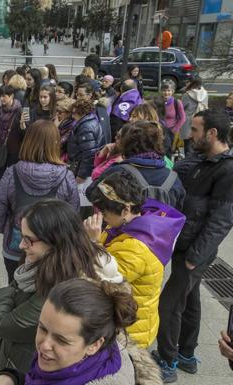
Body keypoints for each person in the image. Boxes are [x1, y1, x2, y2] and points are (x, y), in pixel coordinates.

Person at [0, 200, 119, 384]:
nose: (21, 246)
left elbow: (5, 324)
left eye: (28, 239)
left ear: (55, 240)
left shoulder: (60, 290)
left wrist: (8, 290)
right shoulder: (43, 266)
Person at [153, 109, 233, 382]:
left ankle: (167, 361)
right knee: (189, 301)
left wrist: (194, 257)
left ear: (212, 133)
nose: (190, 135)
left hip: (195, 252)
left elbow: (221, 221)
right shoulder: (204, 160)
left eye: (196, 130)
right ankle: (186, 354)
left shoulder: (228, 169)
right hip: (187, 246)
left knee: (169, 305)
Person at [0, 278, 164, 385]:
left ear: (95, 345)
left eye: (61, 340)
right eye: (42, 328)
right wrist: (11, 377)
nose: (44, 345)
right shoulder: (95, 355)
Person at [85, 171, 186, 348]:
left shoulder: (136, 246)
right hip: (133, 320)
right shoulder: (134, 223)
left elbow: (105, 277)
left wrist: (92, 242)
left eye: (105, 211)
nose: (102, 216)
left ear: (125, 209)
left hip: (129, 333)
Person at [0, 120, 79, 282]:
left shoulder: (13, 172)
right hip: (52, 248)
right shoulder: (66, 176)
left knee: (14, 287)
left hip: (17, 243)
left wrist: (8, 228)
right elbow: (73, 214)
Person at [87, 120, 186, 210]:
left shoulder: (118, 171)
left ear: (127, 143)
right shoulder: (173, 178)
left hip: (122, 229)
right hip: (162, 229)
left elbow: (92, 193)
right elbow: (179, 209)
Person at [0, 85, 24, 194]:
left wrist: (22, 124)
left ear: (11, 95)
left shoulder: (19, 111)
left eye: (4, 96)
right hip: (0, 148)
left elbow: (23, 133)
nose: (2, 99)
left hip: (14, 149)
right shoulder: (0, 109)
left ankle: (10, 198)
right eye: (0, 96)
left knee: (13, 176)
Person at [67, 98, 105, 185]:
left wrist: (81, 175)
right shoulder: (91, 122)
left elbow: (89, 154)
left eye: (74, 113)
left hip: (79, 167)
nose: (72, 116)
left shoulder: (85, 127)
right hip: (79, 165)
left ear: (82, 112)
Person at [129, 103, 175, 169]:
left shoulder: (163, 135)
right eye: (130, 116)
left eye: (134, 116)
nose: (130, 119)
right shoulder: (131, 133)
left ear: (146, 117)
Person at [154, 84, 186, 157]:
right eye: (164, 90)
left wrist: (175, 129)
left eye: (169, 91)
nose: (166, 93)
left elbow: (182, 118)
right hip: (158, 130)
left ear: (172, 91)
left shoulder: (177, 102)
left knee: (168, 152)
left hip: (171, 131)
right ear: (161, 91)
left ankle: (168, 167)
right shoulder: (156, 102)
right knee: (157, 151)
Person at [180, 80, 208, 155]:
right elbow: (206, 107)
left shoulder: (187, 94)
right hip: (201, 121)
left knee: (188, 146)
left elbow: (181, 108)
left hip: (188, 122)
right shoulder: (205, 94)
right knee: (199, 145)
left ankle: (189, 164)